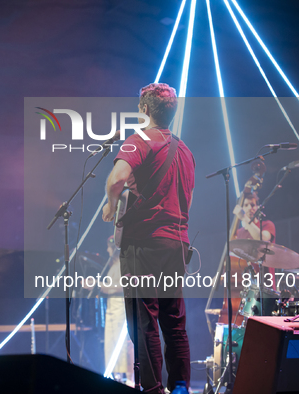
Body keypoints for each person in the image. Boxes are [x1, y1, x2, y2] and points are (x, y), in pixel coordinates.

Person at [102, 83, 195, 393]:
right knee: (174, 322)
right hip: (177, 244)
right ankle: (180, 387)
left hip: (145, 243)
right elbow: (186, 199)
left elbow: (116, 179)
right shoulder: (185, 150)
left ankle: (152, 390)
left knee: (145, 322)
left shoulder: (139, 139)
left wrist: (111, 203)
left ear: (143, 110)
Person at [102, 236, 134, 386]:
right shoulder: (112, 266)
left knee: (122, 344)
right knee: (111, 342)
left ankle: (127, 378)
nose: (107, 250)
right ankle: (115, 376)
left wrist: (102, 287)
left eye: (109, 247)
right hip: (111, 308)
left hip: (120, 306)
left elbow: (124, 285)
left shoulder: (123, 264)